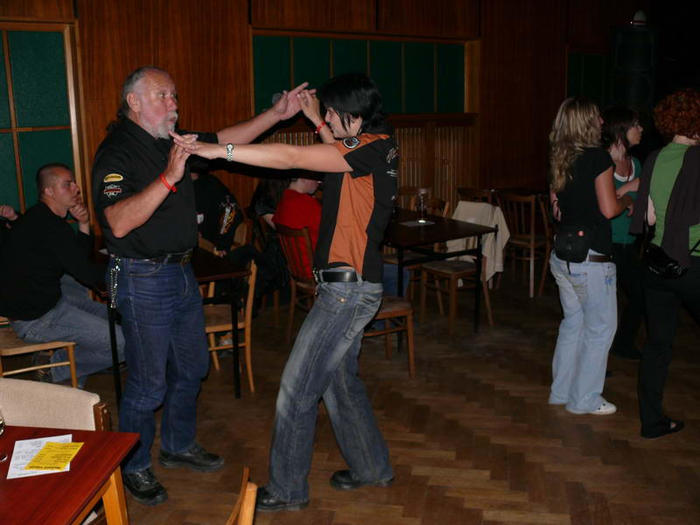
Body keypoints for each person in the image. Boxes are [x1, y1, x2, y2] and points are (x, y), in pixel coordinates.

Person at [172, 72, 398, 512]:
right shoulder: (375, 146)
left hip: (346, 293)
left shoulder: (368, 148)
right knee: (340, 384)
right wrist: (318, 121)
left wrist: (218, 151)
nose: (327, 118)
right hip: (355, 288)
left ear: (353, 117)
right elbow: (335, 150)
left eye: (332, 113)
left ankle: (288, 489)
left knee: (296, 390)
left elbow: (292, 156)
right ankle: (372, 467)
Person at [92, 65, 307, 506]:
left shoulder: (169, 139)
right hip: (141, 276)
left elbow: (225, 139)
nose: (174, 104)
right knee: (148, 384)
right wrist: (169, 178)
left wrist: (275, 115)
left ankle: (177, 445)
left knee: (192, 368)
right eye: (163, 96)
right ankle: (133, 465)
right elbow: (117, 222)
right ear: (134, 102)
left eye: (174, 95)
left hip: (181, 273)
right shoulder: (117, 151)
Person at [0, 164, 125, 387]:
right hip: (36, 320)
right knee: (122, 342)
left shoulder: (41, 217)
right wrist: (126, 269)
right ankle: (54, 368)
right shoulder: (50, 226)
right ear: (49, 191)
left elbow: (76, 260)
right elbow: (87, 273)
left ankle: (74, 366)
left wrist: (83, 224)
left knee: (114, 317)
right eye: (68, 184)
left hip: (48, 302)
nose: (76, 188)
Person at [547, 97, 633, 416]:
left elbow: (556, 210)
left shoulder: (559, 158)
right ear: (586, 122)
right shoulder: (597, 157)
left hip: (563, 255)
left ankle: (561, 392)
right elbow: (609, 209)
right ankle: (584, 399)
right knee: (600, 330)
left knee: (573, 324)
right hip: (591, 258)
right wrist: (628, 201)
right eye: (597, 117)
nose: (601, 122)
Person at [630, 88, 700, 439]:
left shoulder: (655, 158)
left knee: (657, 346)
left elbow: (648, 217)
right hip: (693, 264)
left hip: (657, 265)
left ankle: (652, 421)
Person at [601, 107, 645, 359]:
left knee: (640, 295)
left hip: (629, 243)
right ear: (621, 130)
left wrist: (637, 202)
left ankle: (623, 343)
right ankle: (597, 360)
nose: (641, 129)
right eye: (636, 125)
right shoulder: (602, 162)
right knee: (603, 307)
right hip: (605, 244)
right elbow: (605, 203)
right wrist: (629, 190)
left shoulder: (636, 164)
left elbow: (643, 199)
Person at [273, 177, 322, 276]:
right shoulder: (308, 204)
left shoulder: (282, 201)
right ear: (303, 177)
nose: (319, 181)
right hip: (315, 271)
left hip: (296, 271)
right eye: (316, 177)